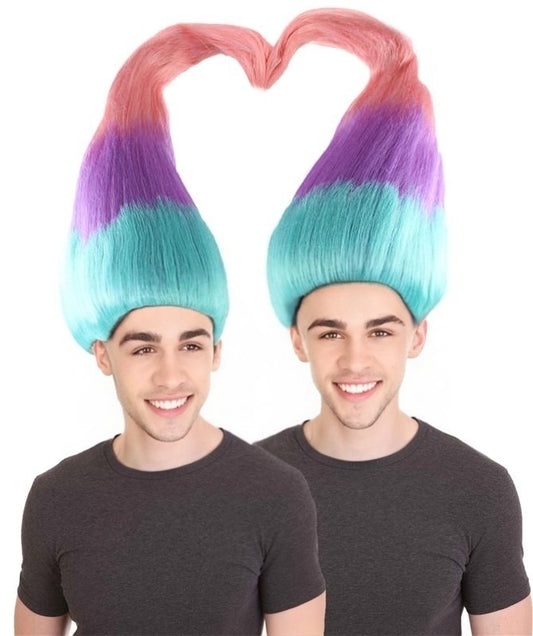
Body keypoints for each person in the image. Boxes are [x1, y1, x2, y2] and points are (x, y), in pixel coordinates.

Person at [14, 21, 325, 636]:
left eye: (191, 343)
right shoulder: (56, 498)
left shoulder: (276, 494)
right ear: (102, 353)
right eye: (142, 347)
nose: (170, 373)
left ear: (217, 351)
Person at [254, 8, 532, 635]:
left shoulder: (478, 489)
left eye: (380, 331)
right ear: (297, 340)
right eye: (330, 332)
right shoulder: (245, 486)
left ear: (418, 335)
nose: (355, 360)